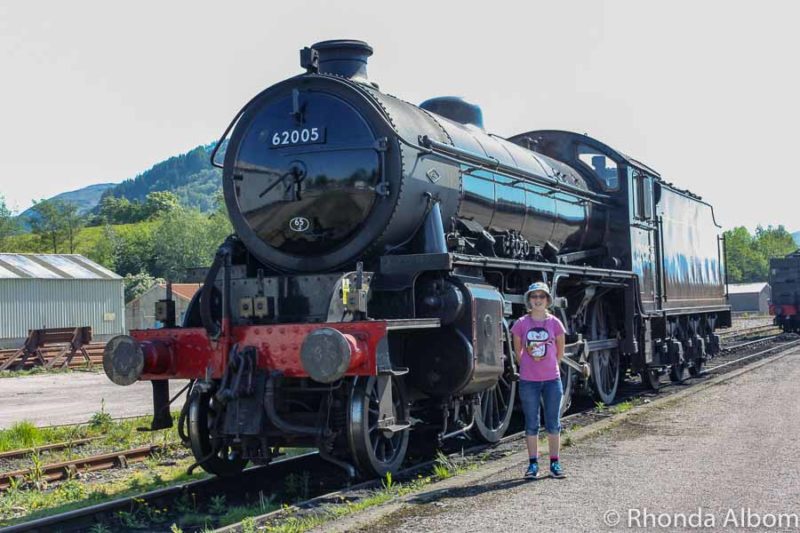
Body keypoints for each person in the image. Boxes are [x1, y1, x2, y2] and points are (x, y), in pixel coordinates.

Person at [510, 281, 566, 479]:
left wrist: (553, 365)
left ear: (547, 300)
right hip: (529, 380)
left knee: (553, 423)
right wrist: (526, 363)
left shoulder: (555, 323)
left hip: (552, 380)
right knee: (531, 423)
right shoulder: (521, 323)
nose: (538, 300)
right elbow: (518, 351)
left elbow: (560, 349)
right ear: (529, 300)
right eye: (534, 297)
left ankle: (554, 463)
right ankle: (533, 464)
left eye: (541, 297)